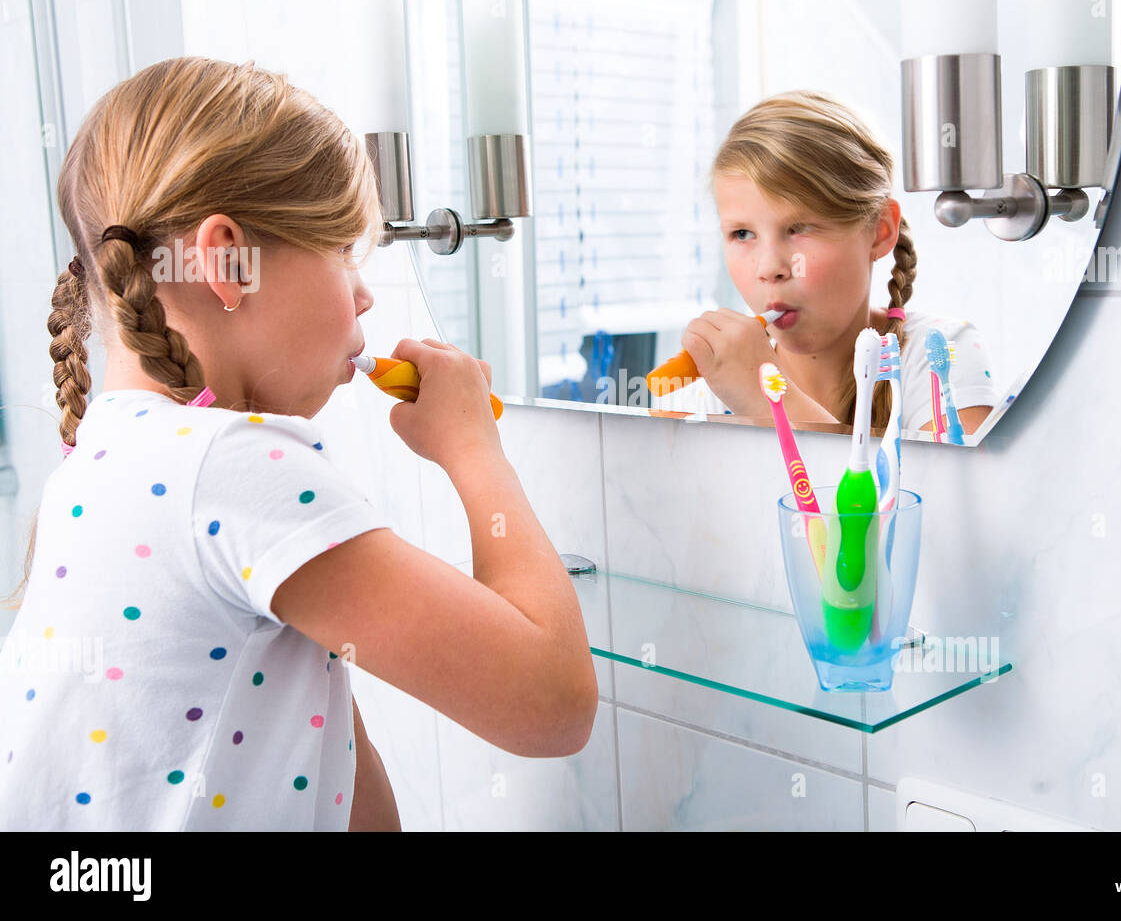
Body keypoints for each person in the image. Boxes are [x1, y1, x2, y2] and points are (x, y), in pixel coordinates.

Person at [0, 57, 597, 831]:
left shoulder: (99, 462)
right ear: (226, 262)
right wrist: (473, 449)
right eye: (345, 250)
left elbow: (337, 776)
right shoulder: (233, 469)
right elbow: (549, 707)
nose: (364, 292)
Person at [653, 90, 998, 438]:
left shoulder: (938, 356)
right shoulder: (711, 392)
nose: (769, 267)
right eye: (742, 234)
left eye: (799, 228)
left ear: (879, 231)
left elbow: (947, 492)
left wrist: (768, 401)